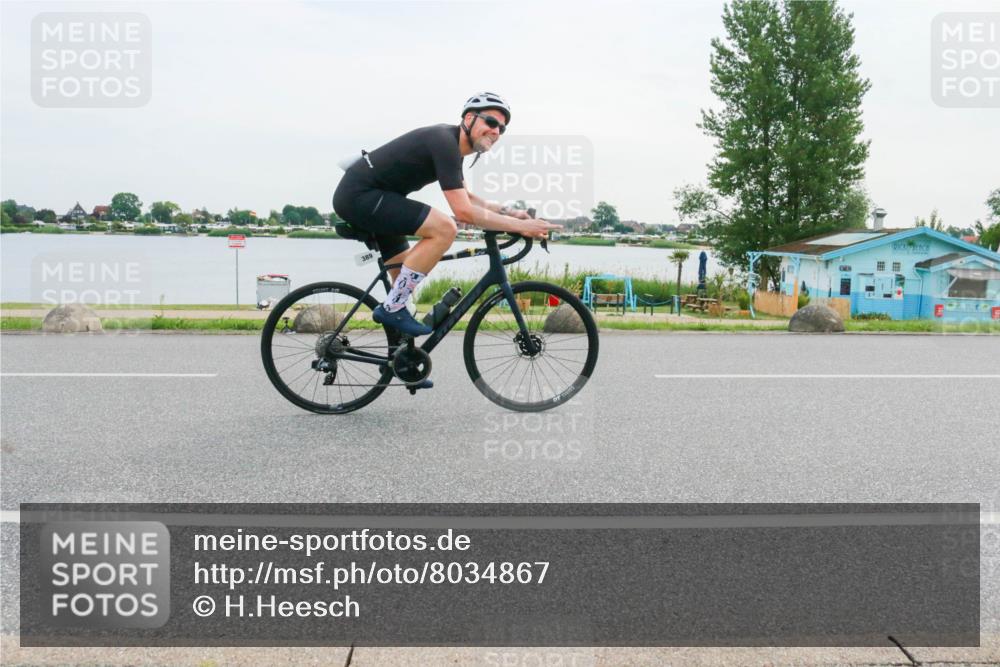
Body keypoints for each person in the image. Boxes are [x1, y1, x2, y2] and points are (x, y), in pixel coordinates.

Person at [333, 92, 560, 337]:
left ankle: (402, 358)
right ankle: (392, 308)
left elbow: (469, 197)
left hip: (378, 199)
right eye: (491, 123)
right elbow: (462, 211)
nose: (496, 132)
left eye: (502, 129)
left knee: (403, 285)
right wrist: (519, 227)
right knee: (444, 228)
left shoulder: (453, 148)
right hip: (360, 196)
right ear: (470, 118)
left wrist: (516, 215)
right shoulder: (443, 141)